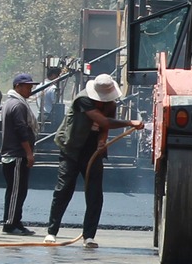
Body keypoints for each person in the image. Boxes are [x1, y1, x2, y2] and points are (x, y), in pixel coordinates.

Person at [47, 74, 138, 247]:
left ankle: (89, 236)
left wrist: (102, 141)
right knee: (64, 189)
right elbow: (102, 120)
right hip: (72, 148)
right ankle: (52, 232)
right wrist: (130, 122)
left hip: (92, 151)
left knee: (95, 193)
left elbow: (104, 126)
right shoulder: (83, 100)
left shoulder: (110, 104)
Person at [0, 73, 40, 234]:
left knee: (19, 189)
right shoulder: (17, 105)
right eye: (27, 86)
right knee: (16, 190)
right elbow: (21, 130)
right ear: (18, 87)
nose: (30, 90)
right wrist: (29, 153)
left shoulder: (13, 103)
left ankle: (16, 221)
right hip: (16, 154)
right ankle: (10, 223)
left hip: (16, 154)